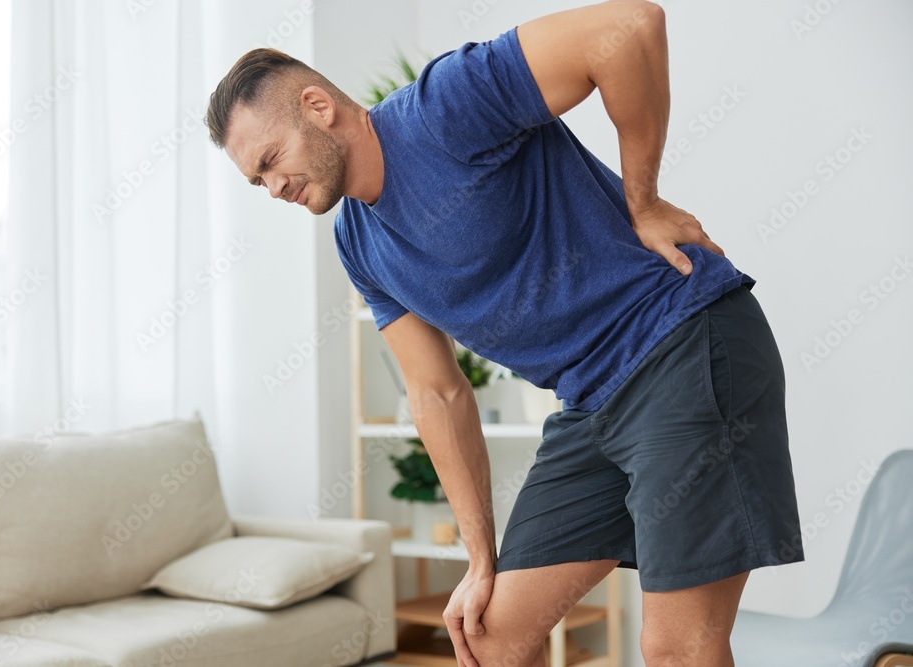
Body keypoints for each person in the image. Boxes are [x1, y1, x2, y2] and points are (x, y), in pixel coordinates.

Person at [204, 1, 805, 665]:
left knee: (674, 649)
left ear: (317, 107)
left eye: (271, 159)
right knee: (489, 637)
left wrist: (645, 201)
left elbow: (629, 27)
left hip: (682, 343)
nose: (272, 187)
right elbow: (436, 393)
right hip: (593, 403)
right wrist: (479, 558)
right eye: (256, 180)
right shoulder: (358, 243)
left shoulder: (441, 109)